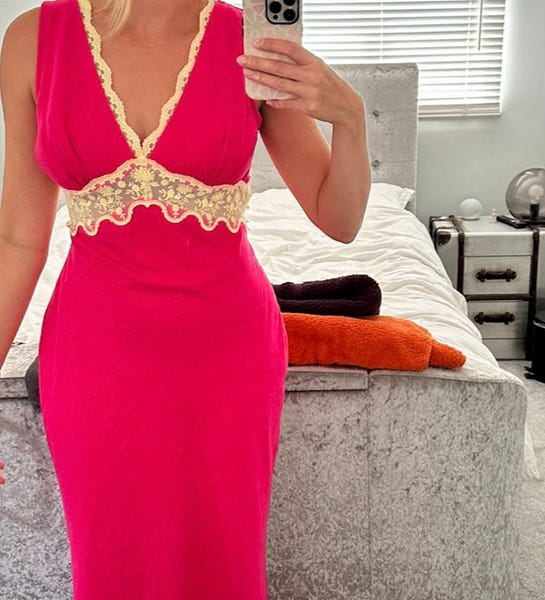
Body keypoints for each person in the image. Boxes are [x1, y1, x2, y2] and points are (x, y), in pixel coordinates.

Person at [0, 0, 370, 597]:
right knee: (111, 568)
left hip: (227, 360)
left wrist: (350, 118)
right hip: (94, 360)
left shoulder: (247, 40)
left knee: (223, 567)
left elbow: (340, 218)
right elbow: (18, 239)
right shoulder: (33, 41)